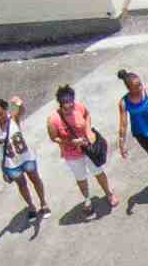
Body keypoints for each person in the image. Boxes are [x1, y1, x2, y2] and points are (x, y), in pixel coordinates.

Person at [42, 81, 118, 210]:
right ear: (60, 103)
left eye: (71, 100)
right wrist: (71, 142)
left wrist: (88, 131)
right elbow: (54, 137)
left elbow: (87, 115)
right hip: (72, 154)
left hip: (89, 149)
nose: (70, 105)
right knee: (81, 178)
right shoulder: (53, 119)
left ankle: (109, 194)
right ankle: (87, 200)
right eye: (66, 102)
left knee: (98, 172)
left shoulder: (79, 107)